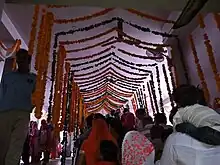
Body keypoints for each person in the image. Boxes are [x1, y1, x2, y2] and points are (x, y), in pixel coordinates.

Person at [0, 49, 36, 165]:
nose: (21, 62)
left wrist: (32, 106)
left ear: (28, 61)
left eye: (23, 59)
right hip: (5, 112)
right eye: (19, 59)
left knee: (17, 143)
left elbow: (37, 96)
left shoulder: (33, 79)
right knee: (3, 143)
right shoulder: (8, 77)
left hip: (23, 113)